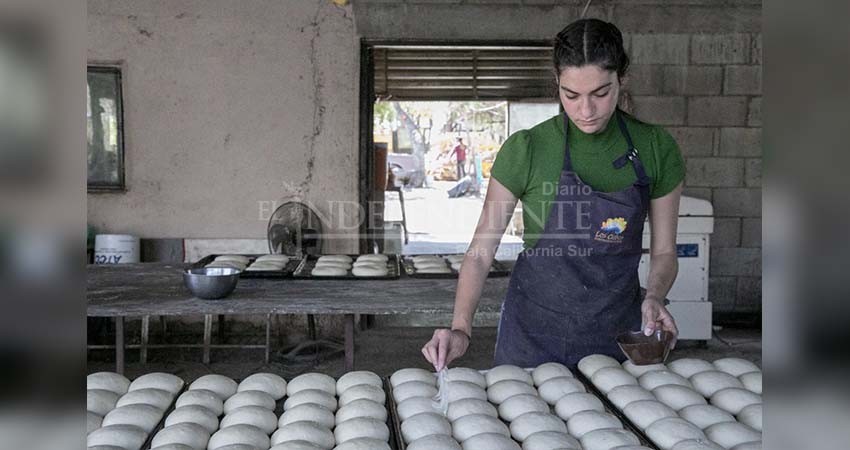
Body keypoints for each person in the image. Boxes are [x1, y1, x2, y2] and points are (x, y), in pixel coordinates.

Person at [422, 18, 684, 370]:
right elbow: (481, 251)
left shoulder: (655, 148)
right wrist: (460, 328)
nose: (585, 111)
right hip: (531, 335)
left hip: (614, 336)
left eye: (601, 93)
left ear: (623, 80)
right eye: (571, 95)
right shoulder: (527, 149)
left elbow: (665, 251)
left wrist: (654, 296)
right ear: (557, 84)